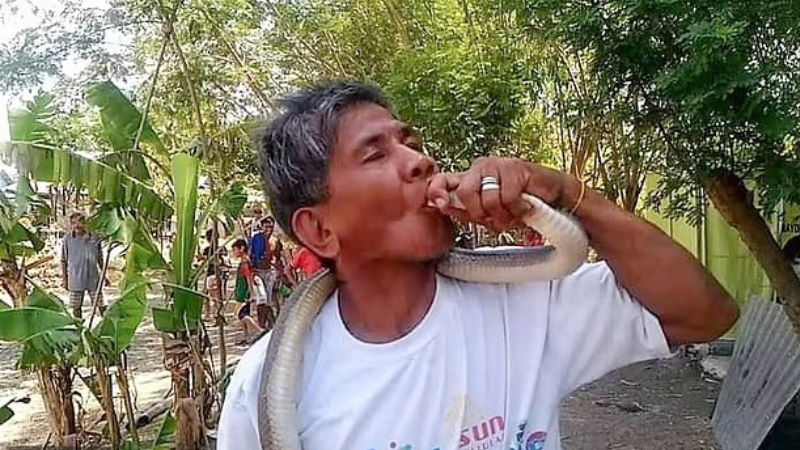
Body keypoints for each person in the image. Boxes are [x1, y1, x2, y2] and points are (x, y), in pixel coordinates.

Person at [218, 81, 739, 449]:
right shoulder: (268, 385)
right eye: (376, 155)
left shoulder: (527, 299)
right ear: (319, 230)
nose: (419, 161)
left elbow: (705, 314)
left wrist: (565, 193)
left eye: (412, 143)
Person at [62, 211, 105, 319]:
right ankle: (79, 327)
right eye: (73, 223)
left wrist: (104, 275)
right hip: (75, 278)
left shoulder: (94, 237)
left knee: (101, 305)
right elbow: (63, 260)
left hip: (93, 278)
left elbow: (100, 258)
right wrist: (65, 279)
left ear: (85, 223)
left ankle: (107, 327)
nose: (77, 225)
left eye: (79, 222)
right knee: (76, 307)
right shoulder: (68, 239)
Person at [231, 239, 263, 344]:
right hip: (241, 290)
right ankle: (246, 337)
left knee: (242, 315)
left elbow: (249, 278)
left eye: (235, 250)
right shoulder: (244, 261)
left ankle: (260, 330)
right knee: (243, 314)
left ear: (242, 248)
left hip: (243, 292)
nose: (234, 252)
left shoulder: (245, 263)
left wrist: (251, 293)